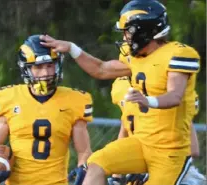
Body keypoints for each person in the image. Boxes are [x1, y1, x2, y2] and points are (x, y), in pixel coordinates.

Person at [39, 0, 201, 184]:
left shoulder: (179, 54)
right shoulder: (134, 58)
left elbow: (175, 96)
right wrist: (72, 48)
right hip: (141, 142)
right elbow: (101, 69)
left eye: (128, 32)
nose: (125, 38)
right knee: (96, 163)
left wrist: (148, 101)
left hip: (169, 152)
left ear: (143, 30)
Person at [0, 35, 93, 185]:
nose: (45, 73)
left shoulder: (74, 101)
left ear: (58, 65)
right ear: (26, 68)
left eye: (50, 65)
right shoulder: (9, 98)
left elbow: (84, 151)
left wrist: (83, 170)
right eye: (38, 67)